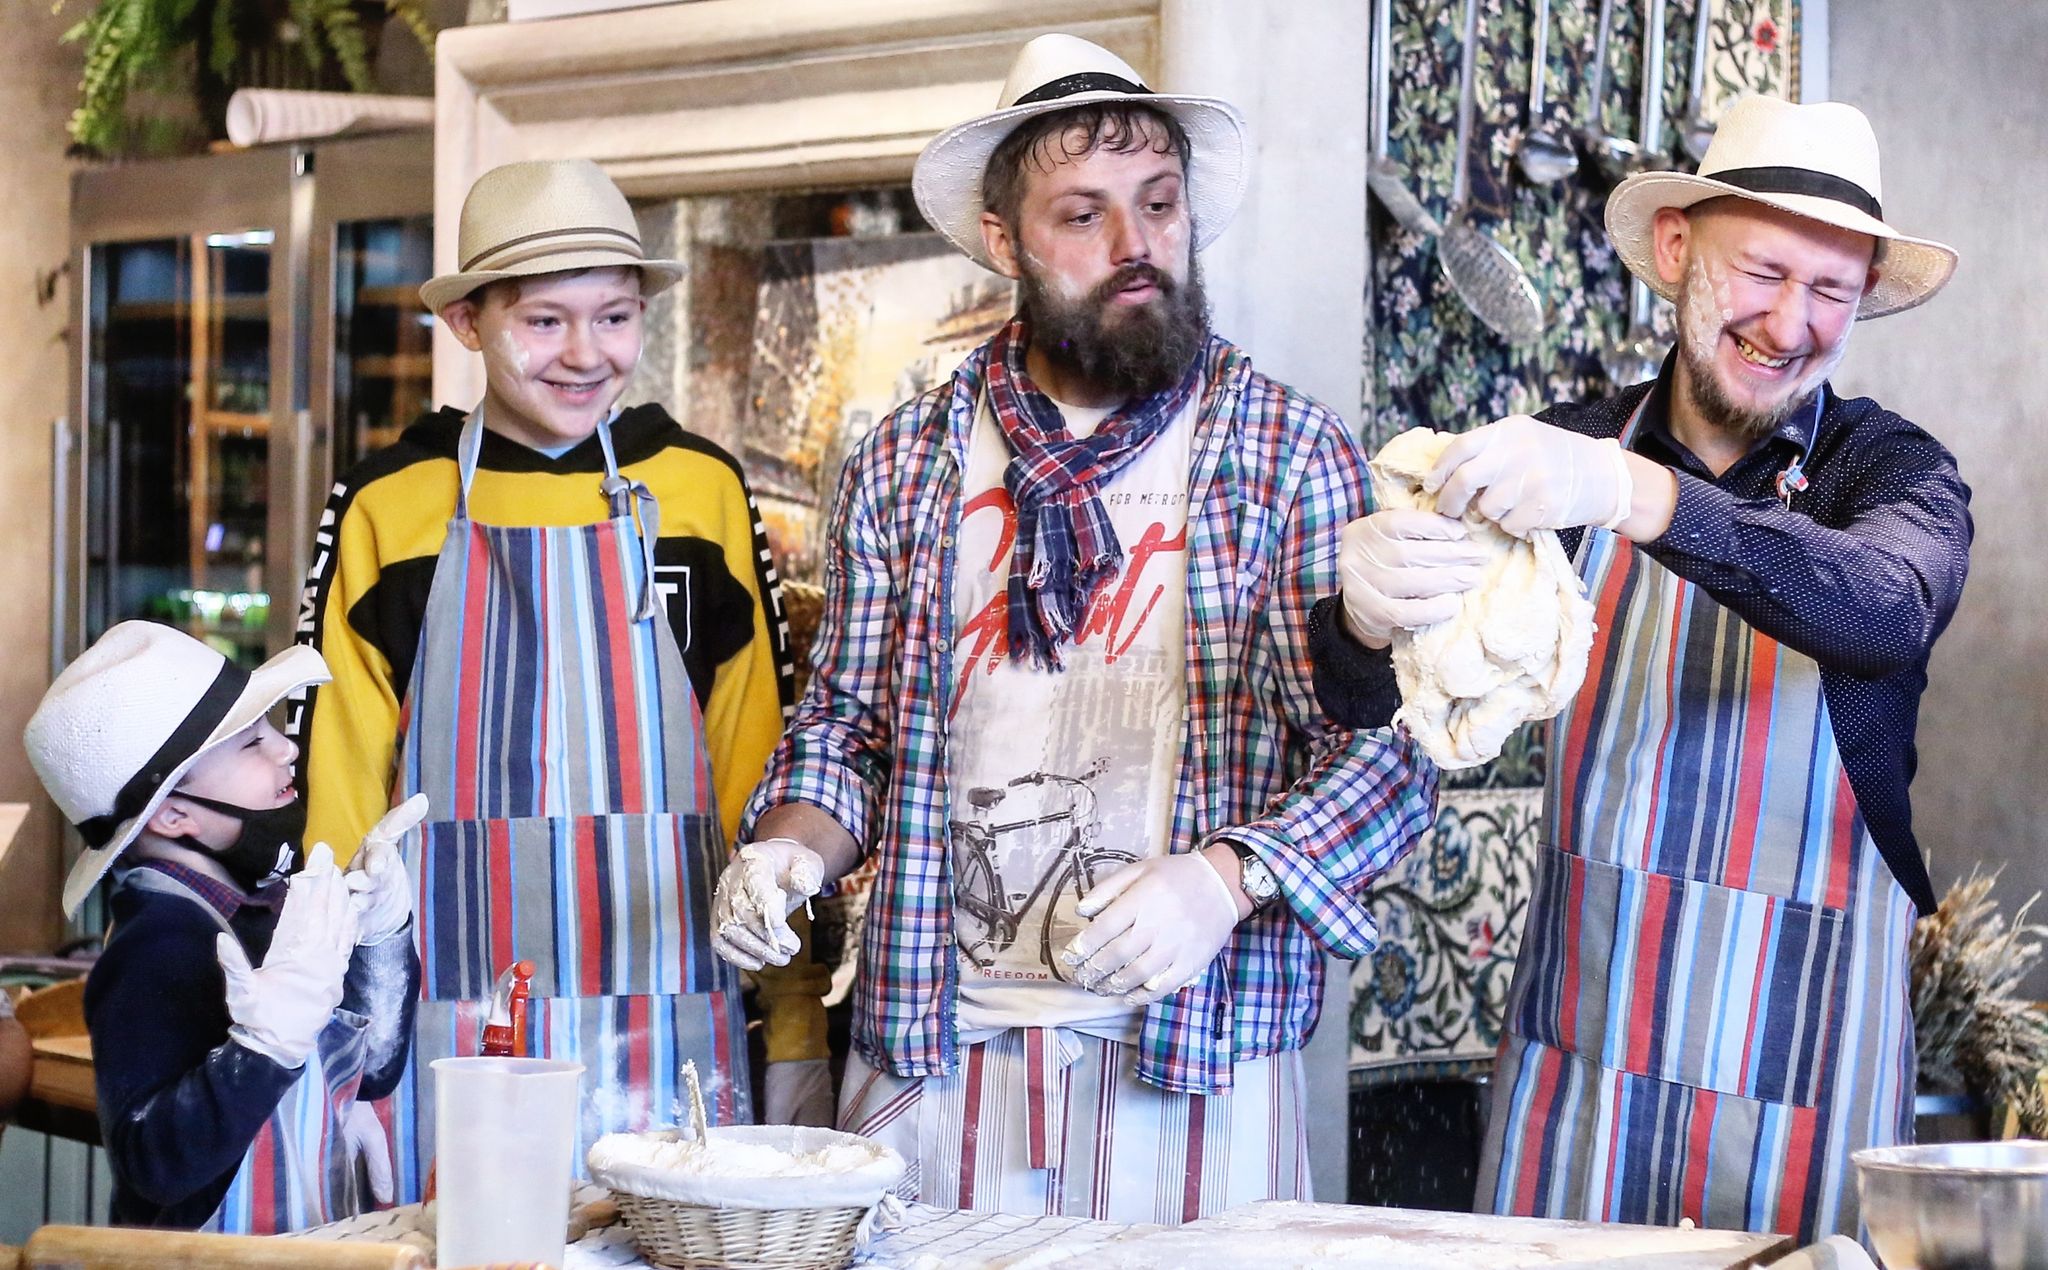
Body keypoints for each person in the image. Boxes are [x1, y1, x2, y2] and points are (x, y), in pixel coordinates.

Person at [709, 34, 1437, 1223]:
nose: (1132, 242)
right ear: (1003, 240)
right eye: (1082, 215)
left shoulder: (1288, 454)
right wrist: (788, 851)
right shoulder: (904, 461)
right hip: (931, 1052)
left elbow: (1389, 755)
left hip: (1192, 1055)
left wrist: (1226, 877)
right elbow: (846, 729)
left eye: (1157, 203)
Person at [1316, 95, 1970, 1241]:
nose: (1788, 322)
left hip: (1806, 1069)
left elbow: (1880, 610)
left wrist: (1634, 493)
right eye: (1761, 271)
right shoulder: (1561, 449)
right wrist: (1362, 622)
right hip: (1585, 1061)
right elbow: (1383, 708)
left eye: (1829, 290)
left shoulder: (1889, 474)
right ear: (1674, 248)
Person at [291, 158, 824, 1203]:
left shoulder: (701, 492)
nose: (586, 354)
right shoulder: (388, 504)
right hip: (448, 1023)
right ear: (467, 323)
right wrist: (338, 1044)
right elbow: (340, 797)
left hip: (683, 1011)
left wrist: (796, 1021)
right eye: (544, 321)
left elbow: (759, 767)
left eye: (614, 317)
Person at [23, 621, 423, 1232]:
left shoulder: (264, 909)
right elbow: (155, 1163)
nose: (285, 749)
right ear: (174, 815)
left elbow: (373, 1073)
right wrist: (261, 1053)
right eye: (251, 743)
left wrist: (381, 939)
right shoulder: (158, 945)